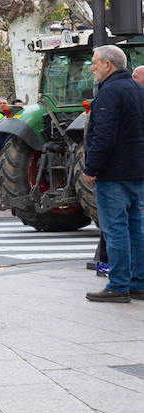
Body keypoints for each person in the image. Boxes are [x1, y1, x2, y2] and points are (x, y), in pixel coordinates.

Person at [80, 45, 144, 303]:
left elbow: (103, 137)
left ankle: (118, 285)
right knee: (136, 228)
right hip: (136, 172)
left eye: (95, 62)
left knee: (115, 230)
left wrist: (91, 168)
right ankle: (138, 282)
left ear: (109, 64)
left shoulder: (109, 93)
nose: (92, 67)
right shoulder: (138, 91)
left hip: (114, 173)